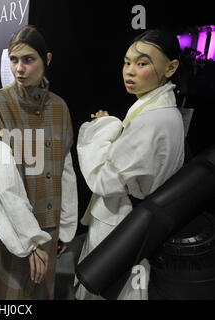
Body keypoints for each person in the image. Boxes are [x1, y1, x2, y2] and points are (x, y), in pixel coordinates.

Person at [74, 29, 185, 300]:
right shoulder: (156, 110)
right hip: (128, 220)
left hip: (121, 224)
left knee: (107, 288)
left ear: (170, 68)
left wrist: (103, 127)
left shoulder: (152, 120)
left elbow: (102, 179)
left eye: (142, 63)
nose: (130, 71)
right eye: (127, 62)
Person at [0, 25, 78, 300]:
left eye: (29, 59)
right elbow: (1, 181)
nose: (19, 68)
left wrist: (65, 225)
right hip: (11, 227)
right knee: (11, 296)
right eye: (14, 60)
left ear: (47, 60)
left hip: (49, 223)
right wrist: (29, 239)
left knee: (42, 292)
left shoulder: (59, 107)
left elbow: (65, 169)